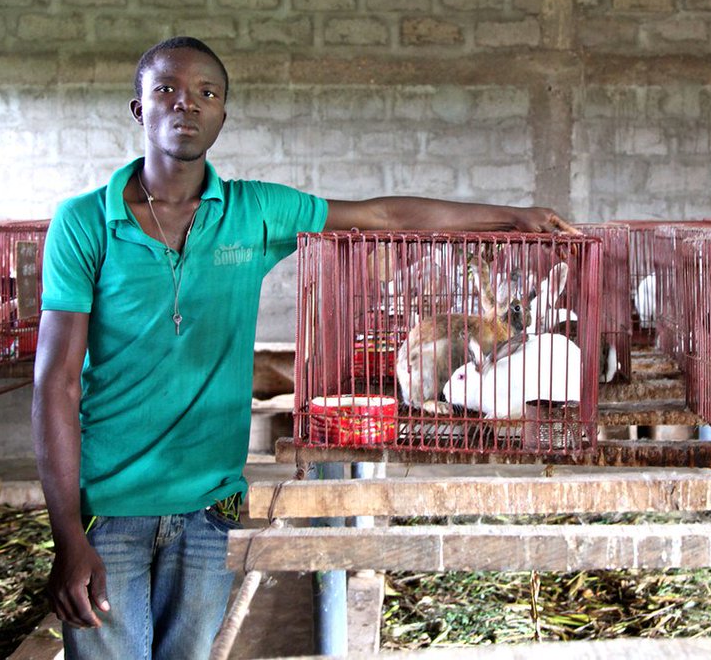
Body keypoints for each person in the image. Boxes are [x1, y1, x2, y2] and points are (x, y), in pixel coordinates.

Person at [31, 35, 574, 659]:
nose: (187, 105)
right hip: (109, 506)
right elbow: (57, 384)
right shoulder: (83, 221)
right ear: (139, 109)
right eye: (167, 91)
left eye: (206, 93)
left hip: (211, 500)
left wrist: (510, 217)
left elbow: (383, 217)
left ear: (222, 116)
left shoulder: (253, 211)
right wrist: (67, 532)